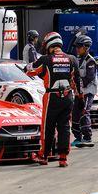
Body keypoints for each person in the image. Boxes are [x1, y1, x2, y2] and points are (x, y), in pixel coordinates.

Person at [27, 32, 78, 167]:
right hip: (68, 96)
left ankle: (43, 156)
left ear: (49, 44)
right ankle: (63, 158)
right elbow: (77, 81)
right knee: (65, 127)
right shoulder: (72, 59)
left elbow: (30, 70)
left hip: (52, 97)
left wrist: (28, 67)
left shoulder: (45, 59)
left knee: (48, 127)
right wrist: (80, 98)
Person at [71, 35, 97, 148]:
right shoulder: (76, 59)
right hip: (78, 92)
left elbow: (88, 78)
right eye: (76, 46)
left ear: (86, 47)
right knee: (74, 114)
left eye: (79, 46)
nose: (77, 49)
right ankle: (78, 137)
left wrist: (77, 82)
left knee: (84, 112)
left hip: (87, 92)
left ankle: (87, 137)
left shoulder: (90, 61)